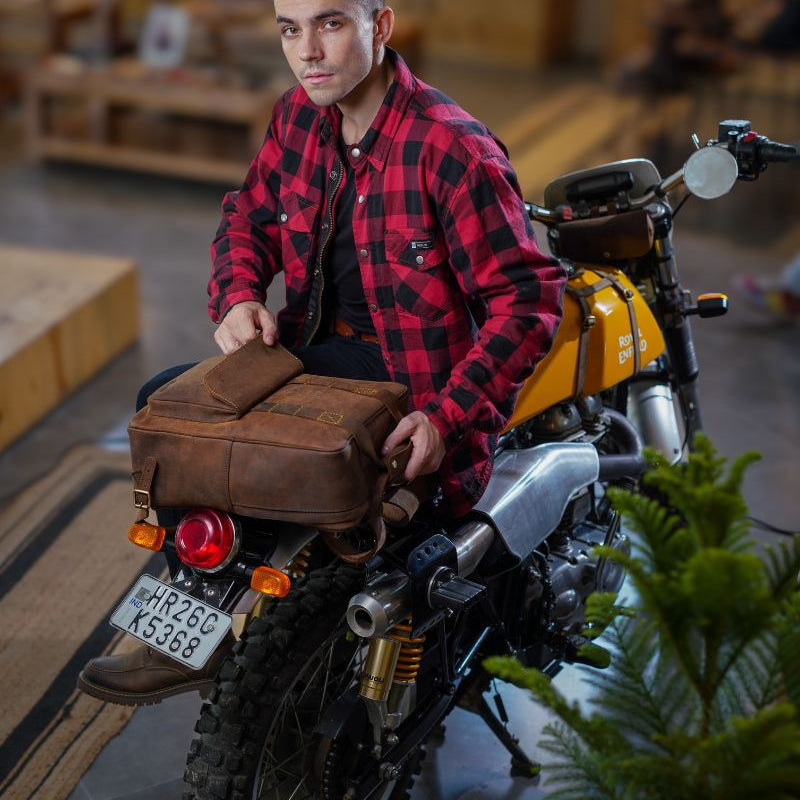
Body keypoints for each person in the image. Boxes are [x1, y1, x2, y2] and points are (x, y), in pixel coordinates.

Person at [77, 0, 566, 705]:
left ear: (381, 25)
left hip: (412, 395)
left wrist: (445, 417)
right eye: (289, 28)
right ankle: (188, 631)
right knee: (166, 400)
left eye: (330, 23)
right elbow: (247, 214)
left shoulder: (453, 148)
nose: (308, 50)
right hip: (315, 361)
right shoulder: (298, 118)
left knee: (240, 451)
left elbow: (527, 301)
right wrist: (240, 294)